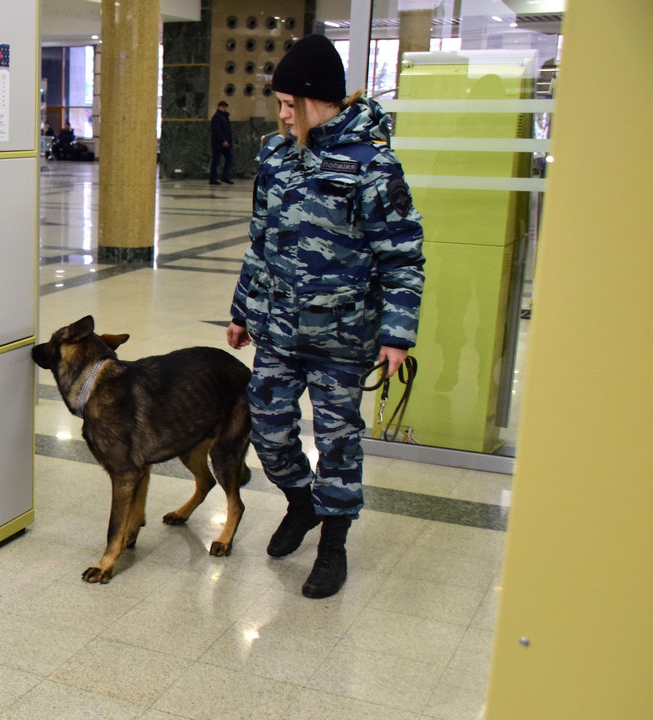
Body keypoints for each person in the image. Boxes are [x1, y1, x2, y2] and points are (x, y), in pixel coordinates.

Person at [225, 34, 424, 599]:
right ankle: (302, 503)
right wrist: (242, 311)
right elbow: (259, 244)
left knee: (337, 442)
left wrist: (397, 335)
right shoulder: (277, 157)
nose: (283, 116)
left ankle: (332, 545)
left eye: (290, 105)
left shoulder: (372, 165)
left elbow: (403, 258)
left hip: (343, 337)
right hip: (280, 332)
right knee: (266, 428)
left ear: (319, 101)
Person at [209, 101, 234, 184]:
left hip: (225, 143)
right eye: (224, 107)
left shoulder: (224, 117)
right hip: (218, 143)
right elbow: (217, 131)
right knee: (216, 160)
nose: (225, 109)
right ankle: (213, 178)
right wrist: (223, 140)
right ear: (219, 107)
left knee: (229, 158)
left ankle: (225, 176)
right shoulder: (217, 117)